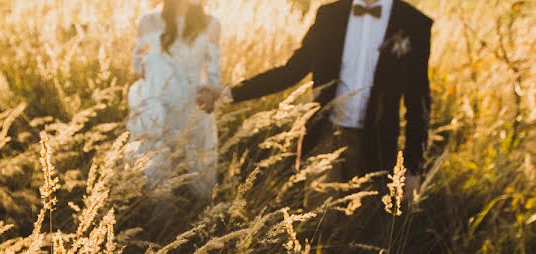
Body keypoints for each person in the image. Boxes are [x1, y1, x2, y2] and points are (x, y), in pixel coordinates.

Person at [207, 0, 432, 201]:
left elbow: (418, 101)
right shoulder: (330, 15)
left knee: (365, 229)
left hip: (377, 144)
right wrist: (229, 93)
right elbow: (292, 71)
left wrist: (413, 168)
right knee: (319, 225)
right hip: (324, 136)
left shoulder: (414, 22)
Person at [126, 0, 222, 201]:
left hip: (192, 102)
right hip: (159, 103)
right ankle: (159, 212)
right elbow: (137, 66)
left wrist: (209, 93)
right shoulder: (148, 20)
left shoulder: (211, 23)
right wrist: (155, 67)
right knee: (156, 161)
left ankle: (198, 213)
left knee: (197, 170)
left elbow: (213, 73)